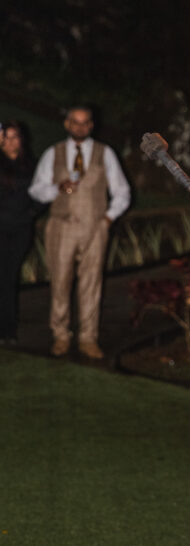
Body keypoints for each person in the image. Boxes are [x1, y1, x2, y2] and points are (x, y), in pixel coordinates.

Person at [28, 105, 131, 359]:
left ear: (91, 125)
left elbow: (122, 192)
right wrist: (57, 188)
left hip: (95, 227)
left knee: (91, 284)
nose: (80, 127)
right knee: (60, 282)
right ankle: (61, 335)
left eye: (85, 123)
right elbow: (36, 190)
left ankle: (88, 338)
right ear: (67, 124)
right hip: (61, 226)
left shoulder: (105, 153)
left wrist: (108, 219)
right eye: (75, 122)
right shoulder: (54, 153)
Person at [0, 121, 36, 345]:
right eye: (7, 137)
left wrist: (32, 211)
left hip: (19, 229)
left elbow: (43, 191)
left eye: (16, 137)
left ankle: (8, 329)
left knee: (8, 278)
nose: (11, 141)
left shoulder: (31, 164)